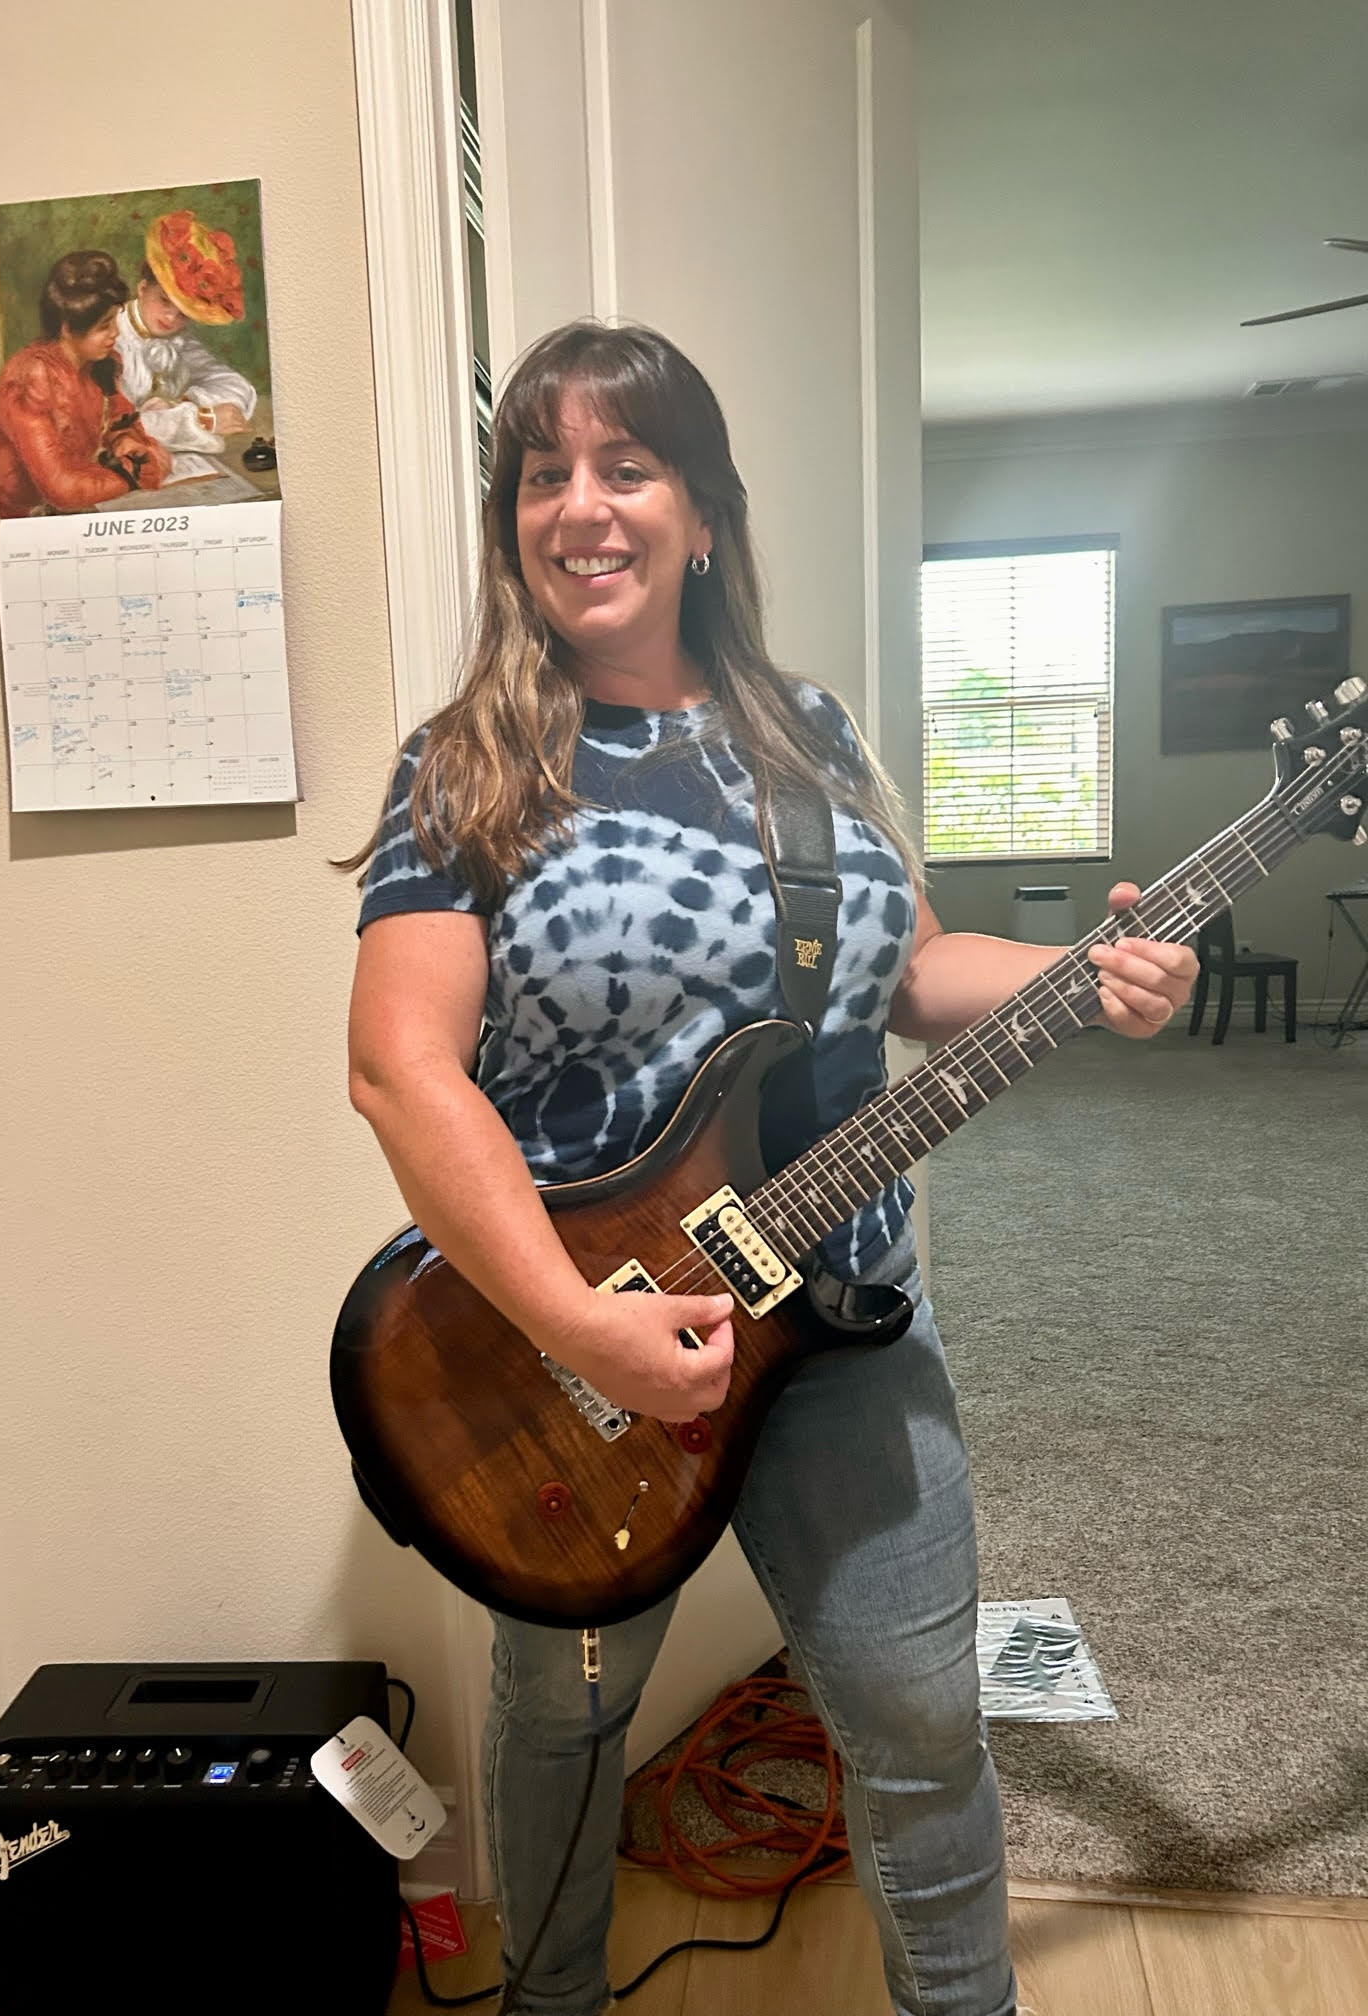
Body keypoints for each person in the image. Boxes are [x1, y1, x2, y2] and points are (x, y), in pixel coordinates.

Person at [343, 321, 1195, 2016]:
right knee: (572, 1723)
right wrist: (578, 1328)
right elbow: (396, 1065)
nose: (581, 507)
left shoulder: (804, 736)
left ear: (703, 515)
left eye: (626, 466)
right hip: (560, 1346)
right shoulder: (467, 768)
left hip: (837, 1312)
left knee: (917, 1714)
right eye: (543, 474)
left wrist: (1079, 978)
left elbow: (909, 968)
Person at [0, 251, 172, 517]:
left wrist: (128, 444)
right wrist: (133, 475)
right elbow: (61, 489)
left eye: (115, 321)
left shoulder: (102, 364)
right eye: (104, 325)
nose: (116, 333)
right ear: (67, 328)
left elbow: (122, 422)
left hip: (83, 505)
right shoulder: (32, 377)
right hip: (27, 519)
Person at [112, 210, 257, 462]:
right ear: (143, 288)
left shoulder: (178, 340)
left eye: (184, 313)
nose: (171, 319)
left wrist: (186, 401)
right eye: (164, 301)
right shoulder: (109, 336)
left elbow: (239, 387)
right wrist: (202, 419)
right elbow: (112, 428)